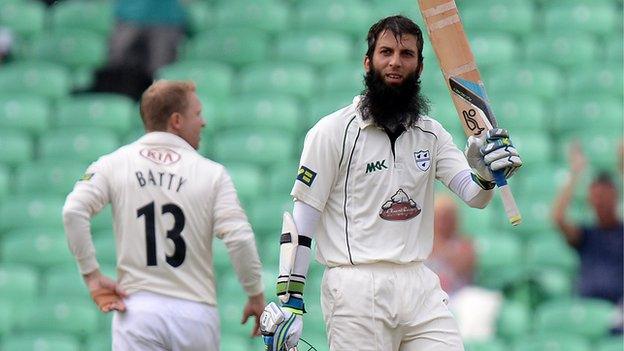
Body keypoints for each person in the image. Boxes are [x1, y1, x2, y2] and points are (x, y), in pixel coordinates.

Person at [259, 15, 522, 351]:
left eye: (406, 54)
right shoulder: (332, 131)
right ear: (368, 62)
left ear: (420, 67)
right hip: (356, 287)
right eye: (386, 52)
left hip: (419, 282)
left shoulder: (431, 133)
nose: (395, 62)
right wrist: (291, 301)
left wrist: (485, 174)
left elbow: (474, 196)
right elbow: (302, 221)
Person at [62, 80, 265, 350]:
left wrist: (92, 275)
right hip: (195, 313)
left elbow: (73, 210)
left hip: (137, 310)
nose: (203, 122)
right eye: (197, 114)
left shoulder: (114, 163)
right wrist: (255, 294)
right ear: (177, 120)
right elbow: (239, 238)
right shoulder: (212, 173)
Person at [552, 142, 623, 305]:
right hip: (586, 305)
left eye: (604, 197)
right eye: (595, 198)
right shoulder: (587, 236)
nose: (599, 203)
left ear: (615, 198)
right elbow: (558, 218)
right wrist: (575, 172)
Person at [427, 194, 475, 296]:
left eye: (447, 217)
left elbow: (462, 265)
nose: (443, 222)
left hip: (457, 296)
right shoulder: (423, 243)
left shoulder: (465, 244)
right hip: (429, 296)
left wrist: (440, 245)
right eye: (439, 216)